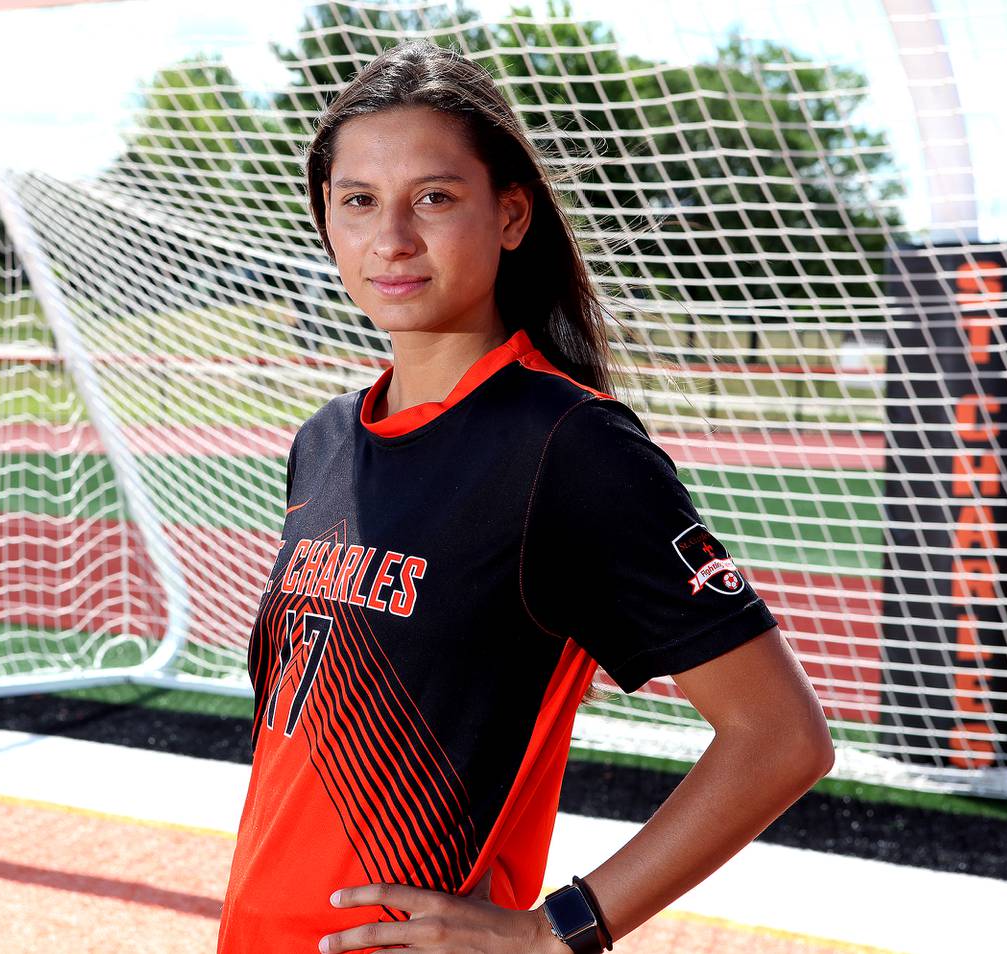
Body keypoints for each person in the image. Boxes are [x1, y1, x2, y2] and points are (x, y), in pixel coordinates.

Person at [216, 39, 834, 954]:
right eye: (358, 202)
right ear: (325, 222)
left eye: (434, 197)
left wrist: (557, 931)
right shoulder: (326, 440)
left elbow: (780, 738)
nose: (391, 238)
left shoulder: (566, 444)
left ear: (511, 215)